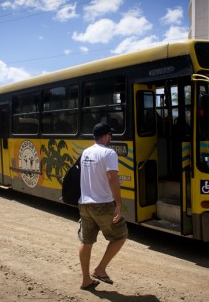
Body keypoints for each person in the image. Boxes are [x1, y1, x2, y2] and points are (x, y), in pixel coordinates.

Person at [78, 122, 128, 291]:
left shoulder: (85, 152)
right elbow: (112, 178)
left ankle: (86, 280)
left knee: (86, 241)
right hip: (102, 204)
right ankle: (100, 269)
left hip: (84, 204)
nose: (111, 138)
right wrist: (118, 203)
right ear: (106, 136)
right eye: (110, 135)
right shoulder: (109, 153)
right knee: (120, 236)